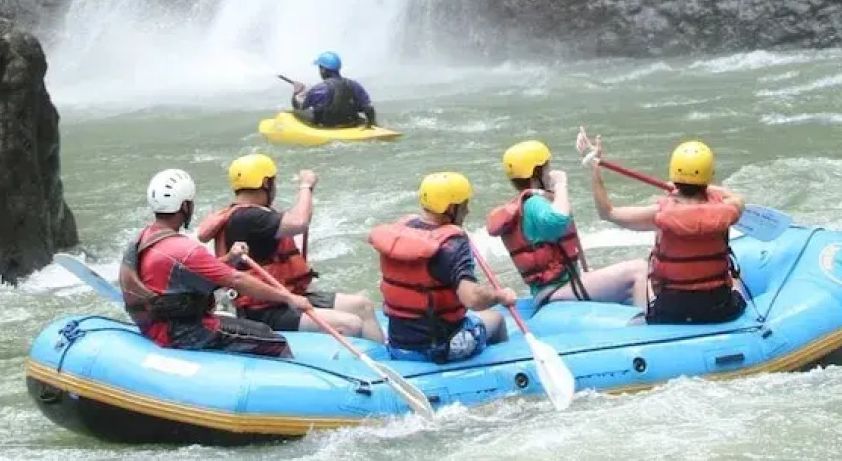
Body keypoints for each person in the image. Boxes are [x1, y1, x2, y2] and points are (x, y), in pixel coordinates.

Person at [118, 168, 314, 356]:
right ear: (186, 206)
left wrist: (230, 259)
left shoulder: (145, 237)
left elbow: (197, 272)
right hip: (182, 332)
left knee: (247, 328)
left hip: (156, 326)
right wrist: (288, 298)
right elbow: (237, 280)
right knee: (274, 341)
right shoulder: (185, 250)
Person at [197, 154, 385, 342]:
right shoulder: (249, 217)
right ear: (266, 183)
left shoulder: (246, 214)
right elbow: (299, 222)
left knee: (363, 306)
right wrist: (306, 186)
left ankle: (388, 360)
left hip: (286, 297)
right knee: (350, 323)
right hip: (264, 309)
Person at [579, 132, 749, 326]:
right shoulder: (727, 211)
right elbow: (737, 198)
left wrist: (595, 169)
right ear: (709, 176)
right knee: (737, 277)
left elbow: (607, 212)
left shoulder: (658, 215)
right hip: (719, 309)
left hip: (670, 311)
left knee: (646, 276)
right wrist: (709, 190)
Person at [367, 172, 517, 362]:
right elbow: (472, 299)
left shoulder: (402, 231)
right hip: (439, 349)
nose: (467, 211)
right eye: (464, 205)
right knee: (496, 320)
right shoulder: (453, 244)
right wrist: (500, 296)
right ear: (451, 208)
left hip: (399, 345)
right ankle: (502, 366)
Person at [486, 140, 649, 309]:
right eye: (547, 167)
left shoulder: (531, 202)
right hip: (555, 292)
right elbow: (558, 221)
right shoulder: (534, 203)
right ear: (537, 172)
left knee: (634, 283)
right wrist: (560, 184)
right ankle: (647, 329)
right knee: (639, 269)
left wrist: (594, 166)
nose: (551, 171)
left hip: (558, 286)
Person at [292, 51, 376, 128]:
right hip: (351, 124)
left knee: (297, 113)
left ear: (323, 69)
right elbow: (368, 108)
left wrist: (297, 92)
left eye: (320, 68)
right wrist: (370, 125)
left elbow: (299, 106)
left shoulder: (319, 89)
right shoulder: (354, 85)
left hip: (328, 127)